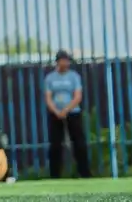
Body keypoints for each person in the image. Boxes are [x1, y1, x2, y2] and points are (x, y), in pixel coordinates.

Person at [44, 49, 91, 178]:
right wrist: (57, 111)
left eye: (67, 60)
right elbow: (48, 98)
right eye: (63, 60)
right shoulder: (50, 78)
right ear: (58, 62)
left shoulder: (74, 76)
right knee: (55, 145)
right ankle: (55, 175)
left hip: (73, 112)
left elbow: (77, 97)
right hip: (55, 114)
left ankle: (84, 172)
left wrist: (66, 110)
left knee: (79, 143)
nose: (66, 63)